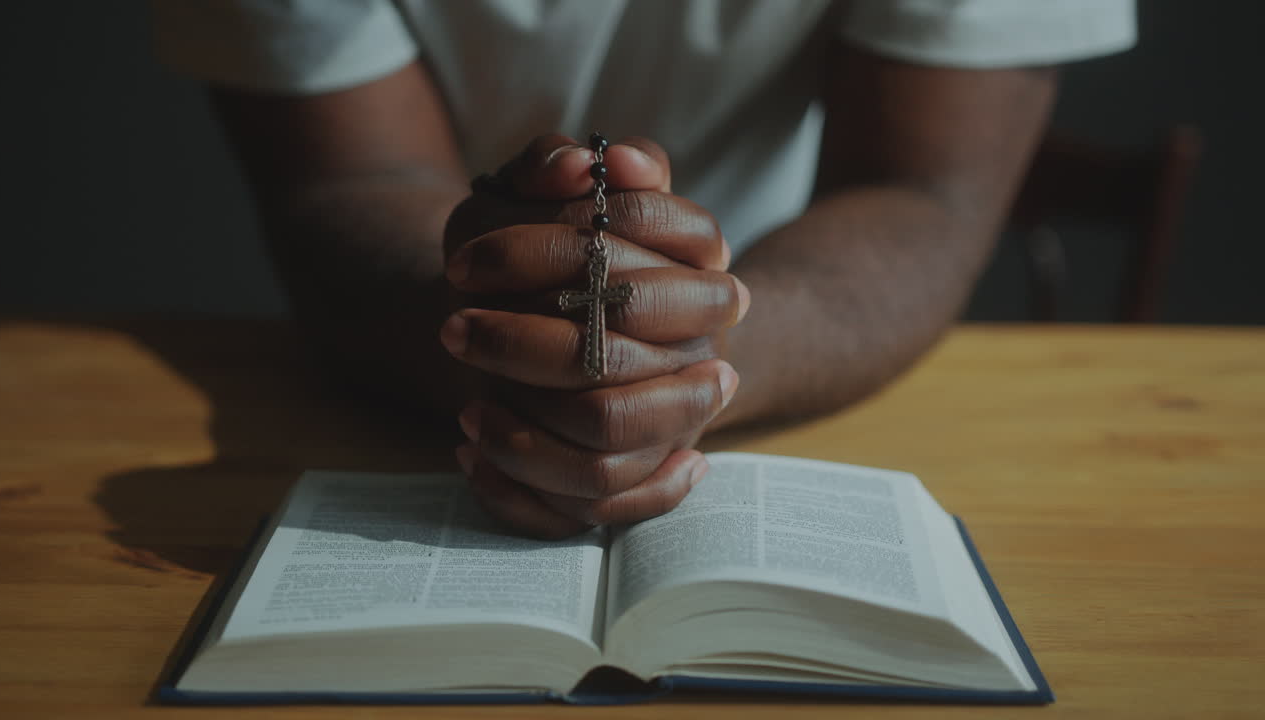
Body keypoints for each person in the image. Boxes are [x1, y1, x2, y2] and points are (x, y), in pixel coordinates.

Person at [151, 0, 1135, 537]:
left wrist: (697, 353)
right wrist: (495, 335)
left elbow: (921, 193)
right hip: (422, 350)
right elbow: (347, 179)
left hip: (786, 338)